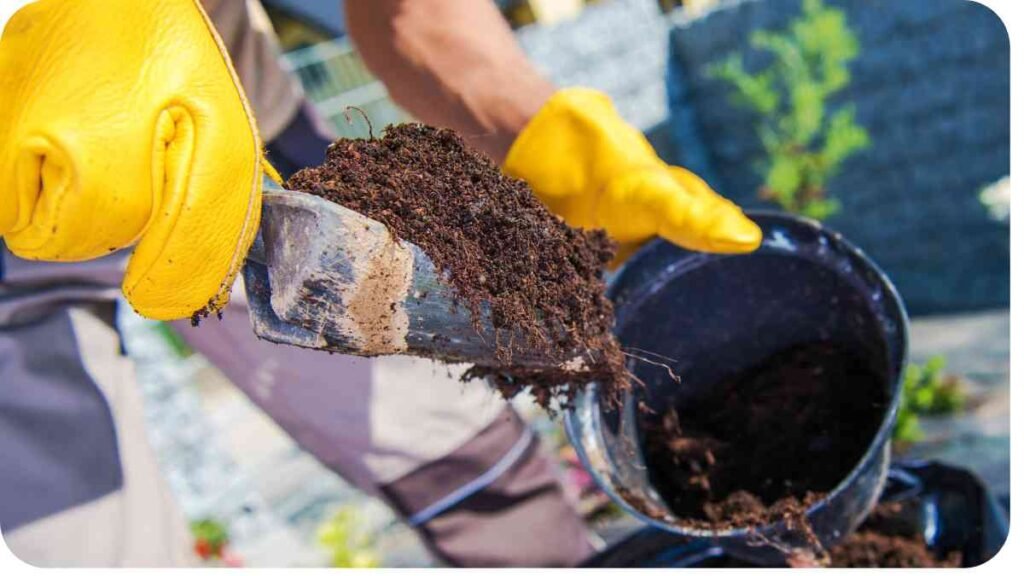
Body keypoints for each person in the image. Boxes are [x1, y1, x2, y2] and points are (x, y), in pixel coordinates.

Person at [0, 0, 761, 568]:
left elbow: (410, 10)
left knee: (464, 454)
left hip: (224, 139)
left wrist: (527, 124)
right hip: (12, 274)